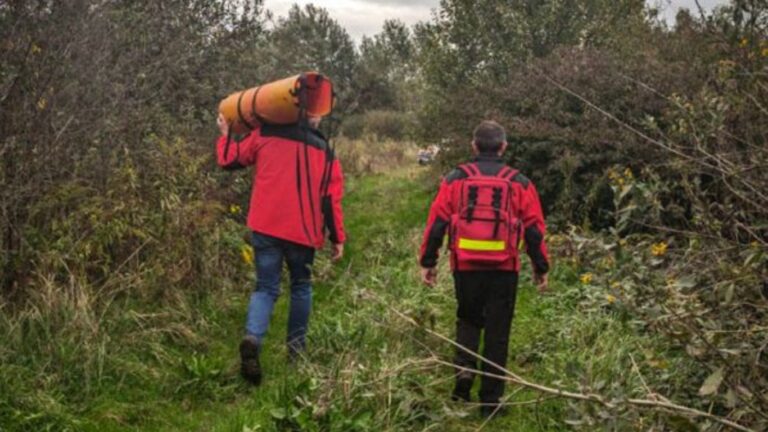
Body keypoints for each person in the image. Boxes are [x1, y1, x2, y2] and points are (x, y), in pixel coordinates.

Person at [418, 120, 549, 418]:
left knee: (467, 318)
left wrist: (429, 262)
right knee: (497, 331)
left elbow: (436, 223)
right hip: (505, 268)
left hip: (464, 265)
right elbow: (534, 230)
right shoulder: (520, 182)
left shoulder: (455, 179)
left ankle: (463, 375)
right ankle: (490, 401)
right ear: (503, 147)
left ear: (473, 146)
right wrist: (541, 267)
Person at [216, 113, 346, 386]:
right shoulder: (324, 150)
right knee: (301, 287)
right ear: (313, 117)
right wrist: (337, 237)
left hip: (265, 226)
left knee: (265, 288)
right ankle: (297, 353)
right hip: (303, 232)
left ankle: (253, 339)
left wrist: (226, 135)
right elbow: (330, 199)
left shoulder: (265, 132)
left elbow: (230, 160)